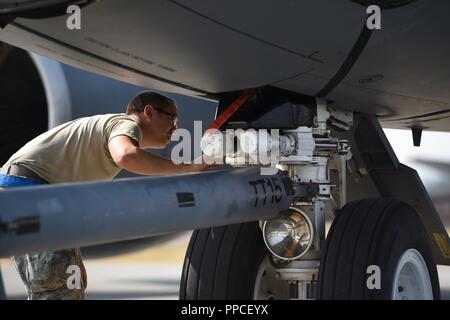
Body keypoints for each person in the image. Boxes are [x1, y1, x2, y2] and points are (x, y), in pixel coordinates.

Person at [0, 91, 212, 299]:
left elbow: (65, 190)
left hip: (20, 193)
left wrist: (74, 255)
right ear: (149, 112)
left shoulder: (104, 131)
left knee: (57, 287)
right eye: (172, 119)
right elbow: (126, 155)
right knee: (60, 291)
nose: (175, 129)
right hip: (31, 193)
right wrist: (189, 168)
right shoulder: (126, 124)